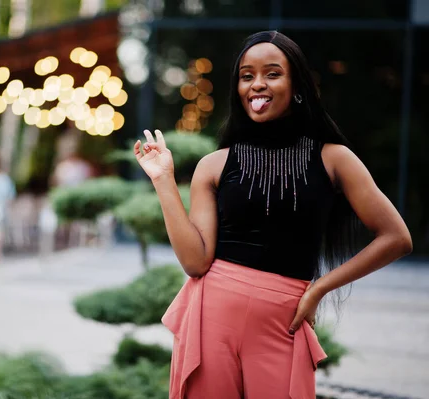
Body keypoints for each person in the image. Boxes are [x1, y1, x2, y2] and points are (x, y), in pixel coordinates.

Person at [134, 31, 412, 399]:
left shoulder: (335, 159)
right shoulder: (214, 165)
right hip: (212, 314)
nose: (257, 85)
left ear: (296, 83)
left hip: (286, 319)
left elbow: (396, 238)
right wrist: (164, 180)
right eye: (246, 76)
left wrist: (319, 289)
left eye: (272, 73)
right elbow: (195, 261)